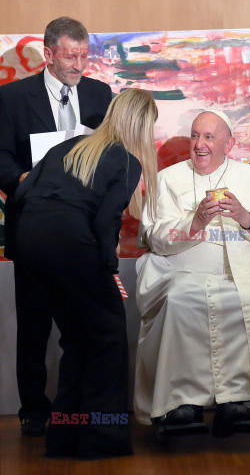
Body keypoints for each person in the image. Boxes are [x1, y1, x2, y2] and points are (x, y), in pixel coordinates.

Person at [12, 88, 158, 459]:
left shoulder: (70, 147)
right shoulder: (127, 160)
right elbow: (105, 220)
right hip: (71, 243)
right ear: (140, 125)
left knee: (77, 338)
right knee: (107, 337)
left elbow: (22, 192)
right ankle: (100, 441)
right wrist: (109, 270)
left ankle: (63, 439)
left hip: (28, 243)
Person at [134, 110, 250, 437]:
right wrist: (193, 223)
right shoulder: (167, 179)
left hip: (246, 272)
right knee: (181, 299)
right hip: (181, 272)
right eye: (195, 135)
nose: (199, 144)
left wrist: (246, 218)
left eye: (209, 137)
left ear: (229, 143)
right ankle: (181, 403)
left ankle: (235, 401)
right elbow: (152, 238)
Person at [0, 16, 112, 435]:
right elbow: (0, 158)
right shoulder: (11, 99)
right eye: (70, 56)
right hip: (33, 229)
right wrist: (23, 181)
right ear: (48, 54)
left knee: (82, 324)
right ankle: (33, 410)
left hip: (85, 230)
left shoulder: (101, 94)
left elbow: (112, 151)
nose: (79, 64)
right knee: (34, 324)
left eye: (84, 55)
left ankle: (77, 407)